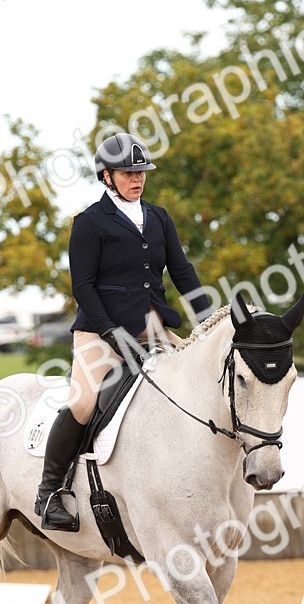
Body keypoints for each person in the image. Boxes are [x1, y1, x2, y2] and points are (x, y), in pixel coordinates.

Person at [34, 132, 212, 529]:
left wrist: (208, 317)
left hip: (154, 329)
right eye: (127, 172)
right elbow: (83, 287)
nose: (137, 178)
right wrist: (108, 330)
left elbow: (181, 271)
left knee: (198, 383)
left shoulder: (159, 217)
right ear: (106, 176)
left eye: (141, 171)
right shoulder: (90, 223)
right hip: (100, 333)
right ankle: (49, 492)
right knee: (82, 403)